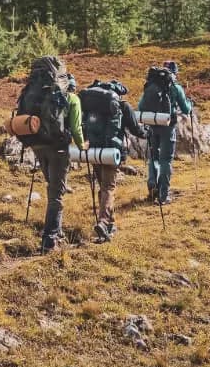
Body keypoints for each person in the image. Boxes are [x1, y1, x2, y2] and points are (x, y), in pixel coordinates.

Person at [82, 80, 144, 242]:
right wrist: (146, 134)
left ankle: (110, 223)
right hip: (112, 151)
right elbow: (135, 128)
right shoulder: (122, 105)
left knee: (103, 186)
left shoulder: (91, 105)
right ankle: (103, 221)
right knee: (108, 187)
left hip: (94, 151)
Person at [38, 73, 85, 253]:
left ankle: (57, 231)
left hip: (40, 147)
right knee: (57, 194)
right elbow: (76, 127)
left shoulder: (44, 96)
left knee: (52, 187)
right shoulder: (73, 99)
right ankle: (50, 240)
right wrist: (82, 146)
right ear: (73, 87)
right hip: (58, 149)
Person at [139, 60, 193, 205]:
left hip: (152, 125)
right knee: (165, 160)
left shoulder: (151, 84)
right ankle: (163, 195)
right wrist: (190, 104)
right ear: (175, 73)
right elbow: (186, 109)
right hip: (168, 127)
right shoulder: (175, 87)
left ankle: (152, 187)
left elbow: (140, 105)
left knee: (153, 157)